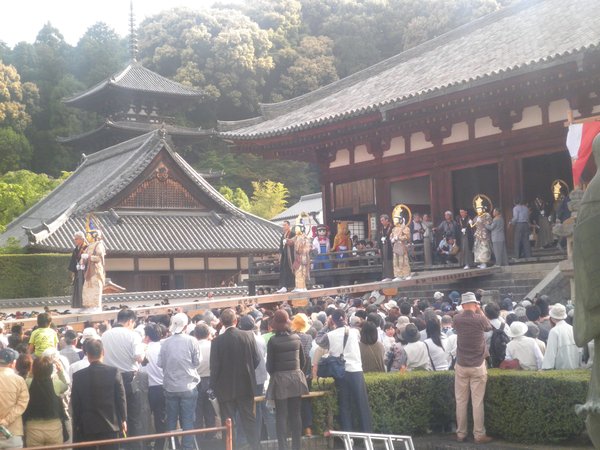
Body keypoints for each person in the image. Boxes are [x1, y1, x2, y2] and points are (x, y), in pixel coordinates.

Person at [210, 308, 260, 450]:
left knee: (228, 423)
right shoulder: (248, 336)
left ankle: (230, 447)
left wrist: (213, 386)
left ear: (221, 322)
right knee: (249, 420)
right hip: (246, 385)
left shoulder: (217, 341)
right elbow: (256, 359)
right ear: (236, 321)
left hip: (225, 388)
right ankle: (256, 447)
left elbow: (214, 367)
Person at [316, 309, 373, 432]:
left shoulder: (329, 336)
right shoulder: (355, 332)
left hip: (340, 372)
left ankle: (349, 437)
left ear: (333, 320)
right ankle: (367, 435)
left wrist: (327, 325)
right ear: (346, 318)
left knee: (344, 405)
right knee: (362, 405)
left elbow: (318, 340)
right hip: (356, 370)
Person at [71, 339, 127, 449]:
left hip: (87, 425)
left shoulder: (78, 376)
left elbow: (75, 403)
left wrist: (76, 423)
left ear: (87, 354)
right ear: (103, 352)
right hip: (111, 424)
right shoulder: (114, 372)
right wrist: (123, 418)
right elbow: (121, 397)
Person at [453, 292, 493, 444]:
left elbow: (457, 326)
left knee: (460, 401)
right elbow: (488, 327)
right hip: (477, 364)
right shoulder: (480, 318)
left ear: (463, 305)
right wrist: (480, 310)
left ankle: (461, 433)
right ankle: (479, 435)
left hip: (461, 364)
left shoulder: (457, 318)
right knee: (477, 402)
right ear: (475, 304)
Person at [266, 310, 309, 450]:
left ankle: (283, 447)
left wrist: (277, 374)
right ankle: (297, 446)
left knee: (281, 415)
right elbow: (303, 361)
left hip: (280, 380)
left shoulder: (273, 341)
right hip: (296, 378)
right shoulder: (296, 338)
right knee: (296, 414)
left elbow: (269, 366)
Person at [101, 309, 145, 443]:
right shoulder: (133, 335)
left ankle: (119, 445)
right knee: (134, 416)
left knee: (115, 416)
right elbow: (139, 357)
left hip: (109, 378)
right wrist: (144, 352)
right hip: (128, 379)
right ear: (130, 321)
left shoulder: (105, 335)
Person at [158, 313, 201, 450]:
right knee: (188, 419)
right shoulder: (192, 341)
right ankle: (187, 447)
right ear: (186, 326)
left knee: (171, 420)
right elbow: (197, 362)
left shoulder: (165, 343)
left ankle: (172, 446)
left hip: (170, 386)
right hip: (188, 386)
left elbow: (160, 363)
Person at [23, 356, 66, 447]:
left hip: (33, 428)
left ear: (33, 369)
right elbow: (65, 386)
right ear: (51, 370)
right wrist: (60, 372)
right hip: (54, 427)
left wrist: (31, 373)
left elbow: (27, 381)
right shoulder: (56, 383)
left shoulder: (28, 383)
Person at [140, 323, 166, 450]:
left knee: (144, 419)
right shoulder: (163, 348)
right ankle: (160, 445)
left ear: (147, 336)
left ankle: (145, 444)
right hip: (162, 387)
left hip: (147, 388)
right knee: (160, 419)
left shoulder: (143, 349)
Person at [0, 348, 29, 449]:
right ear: (13, 363)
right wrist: (6, 421)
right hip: (13, 432)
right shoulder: (19, 380)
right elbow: (22, 404)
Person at [191, 323, 215, 437]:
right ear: (208, 333)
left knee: (197, 411)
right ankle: (211, 436)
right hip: (211, 380)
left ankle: (199, 437)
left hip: (196, 381)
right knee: (210, 410)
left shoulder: (193, 347)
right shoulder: (213, 345)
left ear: (195, 335)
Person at [542, 303, 580, 370]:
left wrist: (546, 368)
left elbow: (551, 353)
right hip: (575, 368)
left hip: (561, 370)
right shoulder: (572, 328)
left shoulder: (554, 331)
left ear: (552, 318)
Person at [81, 229, 106, 312]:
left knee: (95, 287)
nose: (87, 237)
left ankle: (96, 306)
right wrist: (82, 262)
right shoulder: (89, 246)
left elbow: (99, 258)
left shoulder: (99, 245)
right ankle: (88, 306)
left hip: (96, 270)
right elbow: (83, 256)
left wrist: (89, 257)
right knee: (87, 288)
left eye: (89, 235)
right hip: (88, 270)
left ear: (94, 235)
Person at [68, 231, 88, 310]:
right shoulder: (76, 249)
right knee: (77, 288)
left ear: (82, 239)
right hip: (78, 272)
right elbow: (73, 261)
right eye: (74, 239)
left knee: (83, 289)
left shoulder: (86, 248)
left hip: (84, 273)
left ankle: (84, 305)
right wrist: (73, 271)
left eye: (76, 239)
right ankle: (78, 305)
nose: (75, 240)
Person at [390, 216, 411, 281]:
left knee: (404, 260)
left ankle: (406, 274)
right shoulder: (394, 229)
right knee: (396, 261)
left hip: (402, 245)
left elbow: (407, 237)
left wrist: (399, 238)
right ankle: (398, 275)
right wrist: (392, 239)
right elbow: (391, 235)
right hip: (396, 245)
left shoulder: (405, 228)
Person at [277, 221, 295, 293]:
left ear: (289, 226)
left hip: (291, 255)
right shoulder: (283, 235)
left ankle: (293, 285)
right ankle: (283, 286)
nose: (283, 226)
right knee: (283, 270)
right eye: (283, 225)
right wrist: (280, 255)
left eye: (285, 225)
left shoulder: (293, 234)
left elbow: (294, 243)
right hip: (284, 255)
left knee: (291, 270)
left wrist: (289, 241)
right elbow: (281, 247)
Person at [292, 225, 311, 292]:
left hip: (301, 257)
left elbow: (299, 249)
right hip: (302, 257)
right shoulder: (303, 238)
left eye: (297, 229)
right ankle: (301, 287)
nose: (296, 231)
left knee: (299, 272)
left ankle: (300, 287)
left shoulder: (301, 238)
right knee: (301, 272)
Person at [377, 214, 394, 281]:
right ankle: (386, 276)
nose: (381, 222)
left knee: (390, 260)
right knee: (384, 261)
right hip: (383, 246)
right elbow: (379, 238)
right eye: (381, 220)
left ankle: (391, 276)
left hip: (390, 246)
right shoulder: (381, 228)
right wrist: (379, 247)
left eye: (383, 220)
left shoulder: (391, 227)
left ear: (387, 220)